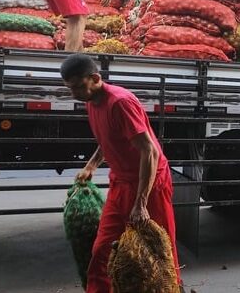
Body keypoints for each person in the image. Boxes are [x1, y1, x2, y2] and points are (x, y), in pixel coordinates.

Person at [60, 54, 181, 293]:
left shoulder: (120, 103)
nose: (74, 94)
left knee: (160, 252)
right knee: (102, 249)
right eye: (70, 89)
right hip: (121, 182)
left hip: (150, 183)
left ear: (95, 78)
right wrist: (91, 166)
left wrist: (141, 202)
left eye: (78, 87)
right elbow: (108, 138)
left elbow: (150, 152)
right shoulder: (91, 101)